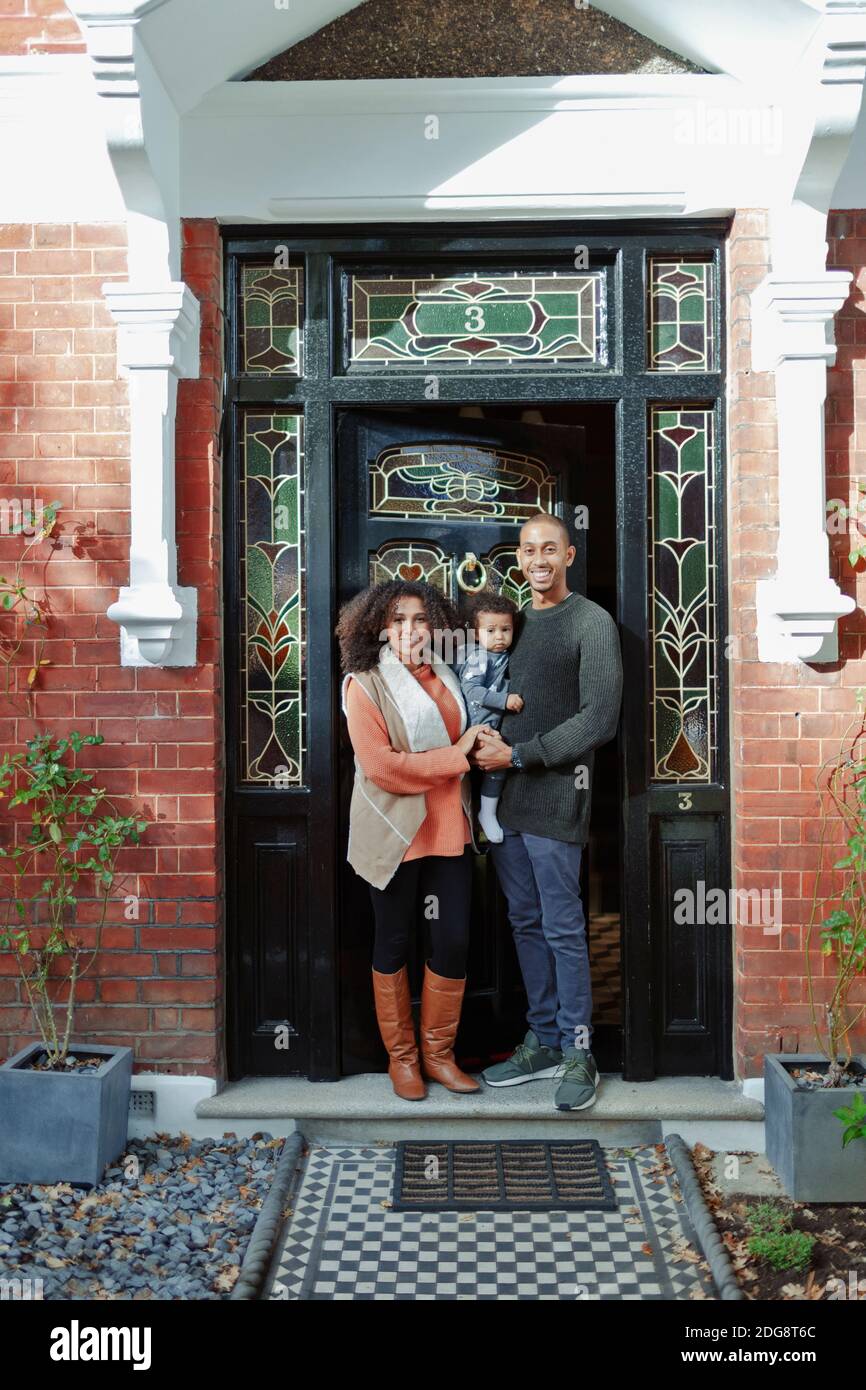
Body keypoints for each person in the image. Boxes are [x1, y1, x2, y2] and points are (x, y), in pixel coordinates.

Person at [472, 513, 623, 1112]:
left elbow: (599, 719)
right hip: (503, 803)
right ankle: (543, 1040)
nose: (538, 558)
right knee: (525, 923)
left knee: (563, 928)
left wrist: (522, 754)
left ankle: (579, 1051)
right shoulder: (510, 623)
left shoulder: (592, 622)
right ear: (518, 557)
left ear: (569, 555)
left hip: (558, 798)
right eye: (528, 548)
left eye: (549, 548)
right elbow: (475, 683)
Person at [336, 579, 489, 1102]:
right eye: (398, 620)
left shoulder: (450, 675)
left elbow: (479, 731)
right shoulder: (365, 683)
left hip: (449, 829)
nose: (409, 630)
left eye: (420, 619)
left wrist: (479, 747)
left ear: (435, 626)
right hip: (395, 833)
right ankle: (402, 1061)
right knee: (393, 942)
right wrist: (458, 757)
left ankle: (440, 1057)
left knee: (452, 942)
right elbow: (382, 768)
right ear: (380, 625)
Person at [454, 591, 523, 844]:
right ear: (476, 633)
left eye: (505, 629)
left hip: (490, 723)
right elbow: (472, 690)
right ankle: (485, 815)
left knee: (493, 770)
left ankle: (484, 814)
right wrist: (504, 700)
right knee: (493, 770)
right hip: (477, 725)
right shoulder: (479, 657)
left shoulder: (500, 654)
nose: (499, 637)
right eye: (491, 630)